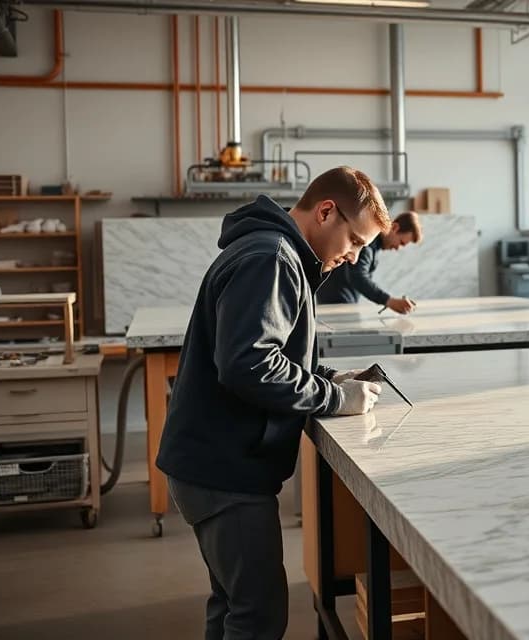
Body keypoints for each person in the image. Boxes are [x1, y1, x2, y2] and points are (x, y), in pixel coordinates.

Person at [156, 166, 394, 639]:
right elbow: (249, 365)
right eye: (356, 241)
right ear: (327, 211)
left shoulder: (276, 252)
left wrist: (330, 377)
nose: (353, 257)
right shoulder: (272, 257)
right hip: (225, 471)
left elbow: (270, 352)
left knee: (231, 606)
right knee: (258, 616)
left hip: (213, 462)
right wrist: (334, 397)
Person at [316, 210, 423, 313]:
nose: (398, 248)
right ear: (394, 227)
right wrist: (389, 301)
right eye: (401, 242)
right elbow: (357, 276)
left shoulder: (372, 245)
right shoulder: (368, 245)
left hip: (337, 303)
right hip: (337, 305)